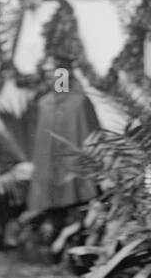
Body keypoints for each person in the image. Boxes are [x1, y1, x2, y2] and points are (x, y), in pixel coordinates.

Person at [26, 55, 99, 222]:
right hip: (49, 170)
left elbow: (93, 137)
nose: (50, 76)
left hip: (73, 171)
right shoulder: (44, 103)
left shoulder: (80, 102)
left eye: (54, 71)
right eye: (47, 72)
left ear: (66, 72)